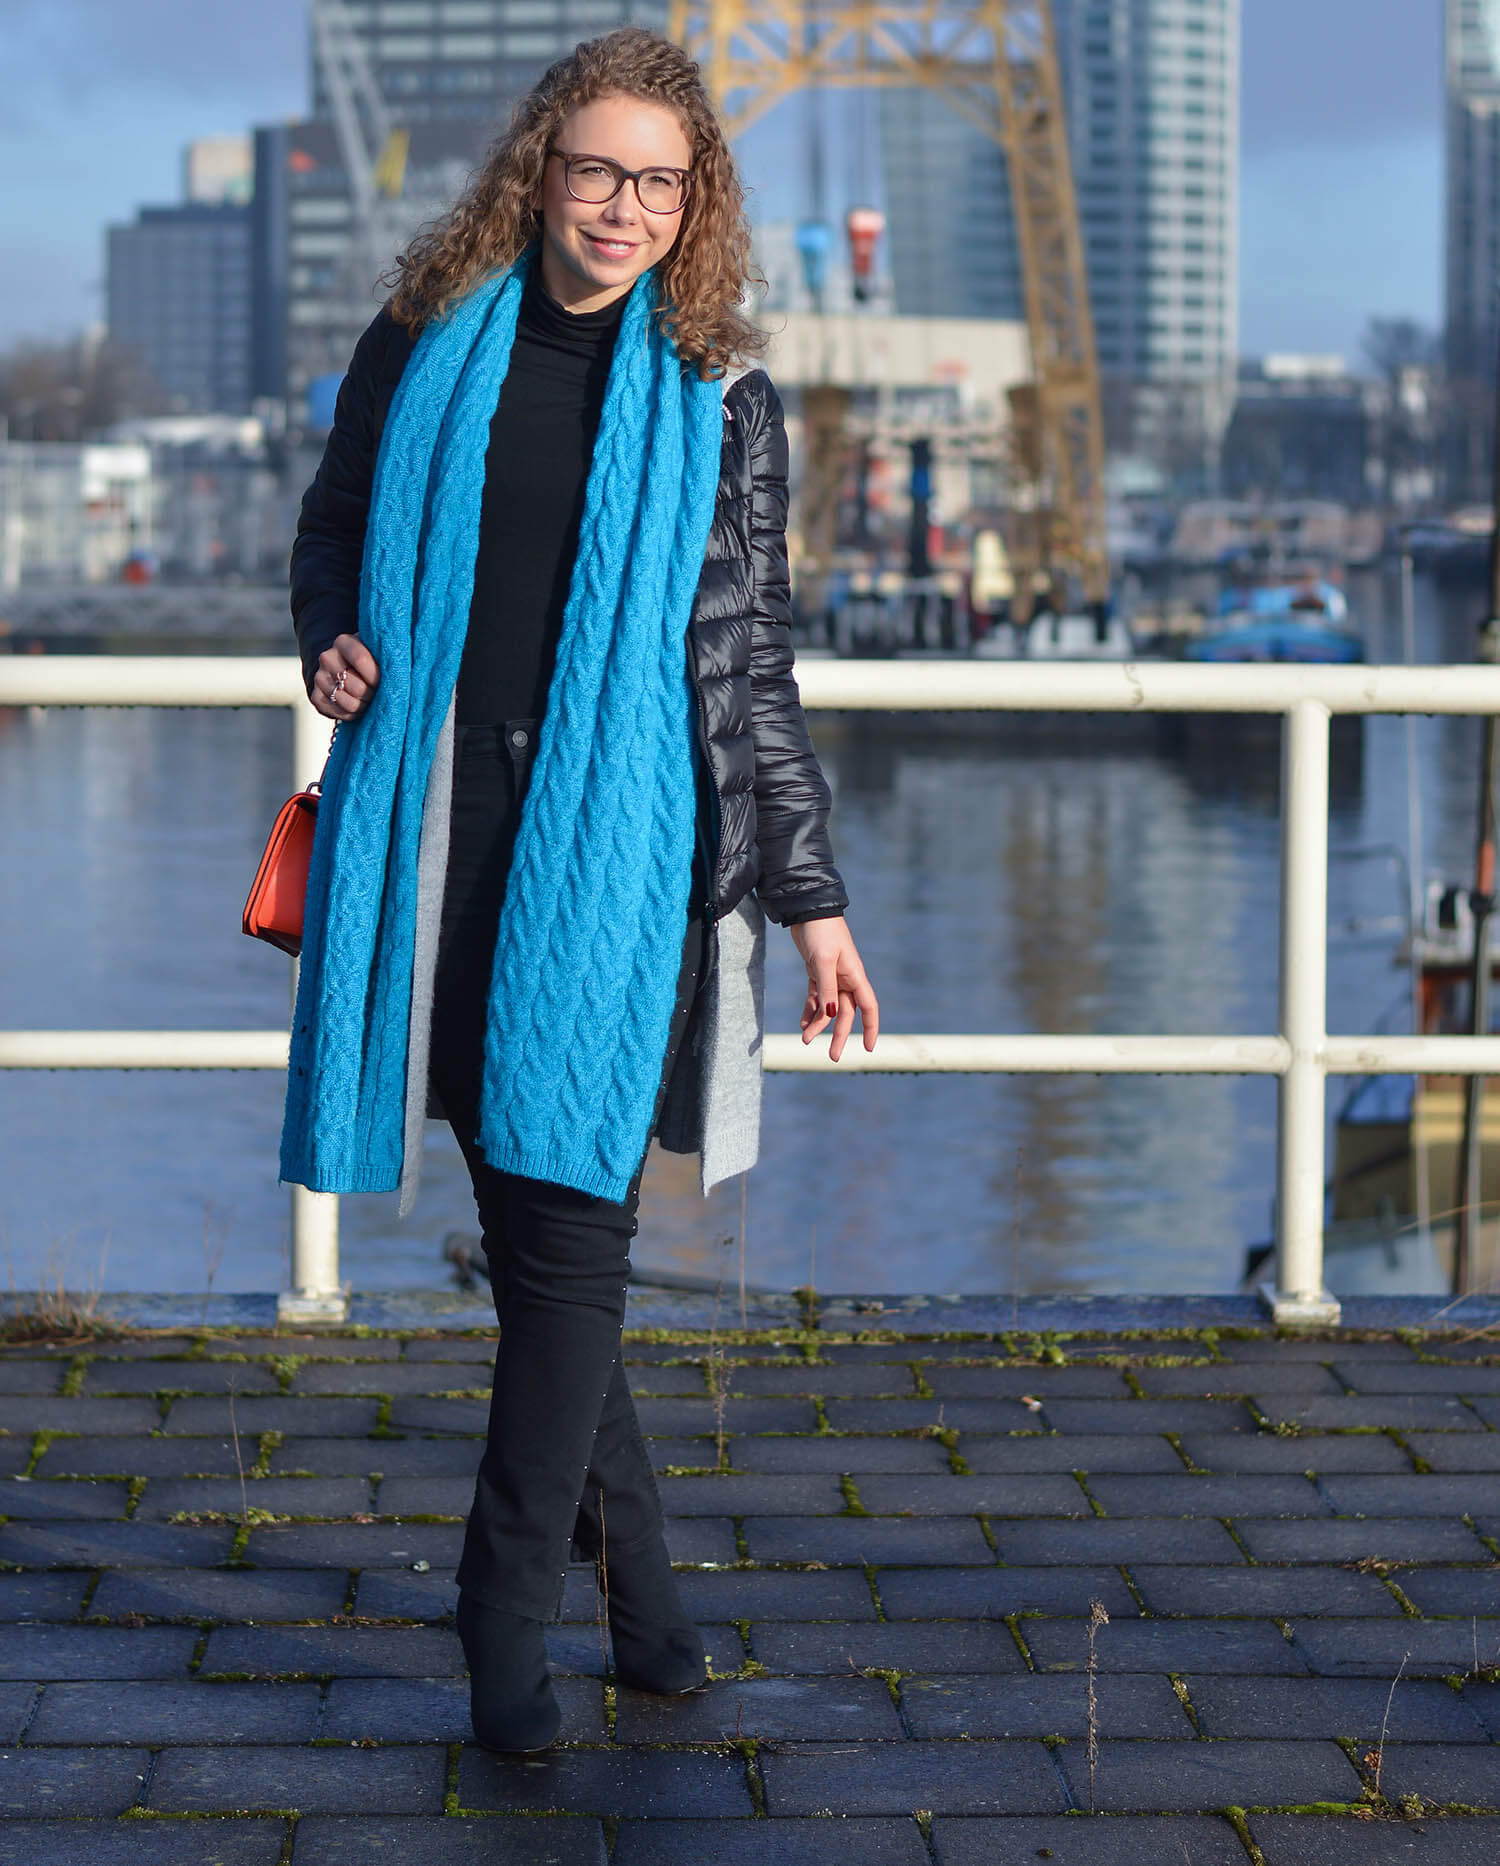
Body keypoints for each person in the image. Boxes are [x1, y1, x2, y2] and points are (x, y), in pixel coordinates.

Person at [281, 26, 878, 1755]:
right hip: (432, 839)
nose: (624, 207)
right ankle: (656, 1614)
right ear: (540, 168)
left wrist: (814, 898)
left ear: (697, 204)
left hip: (618, 864)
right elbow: (330, 529)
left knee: (570, 1235)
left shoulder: (718, 396)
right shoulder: (421, 344)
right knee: (556, 1251)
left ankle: (497, 1616)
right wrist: (326, 632)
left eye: (660, 181)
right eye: (599, 169)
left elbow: (748, 668)